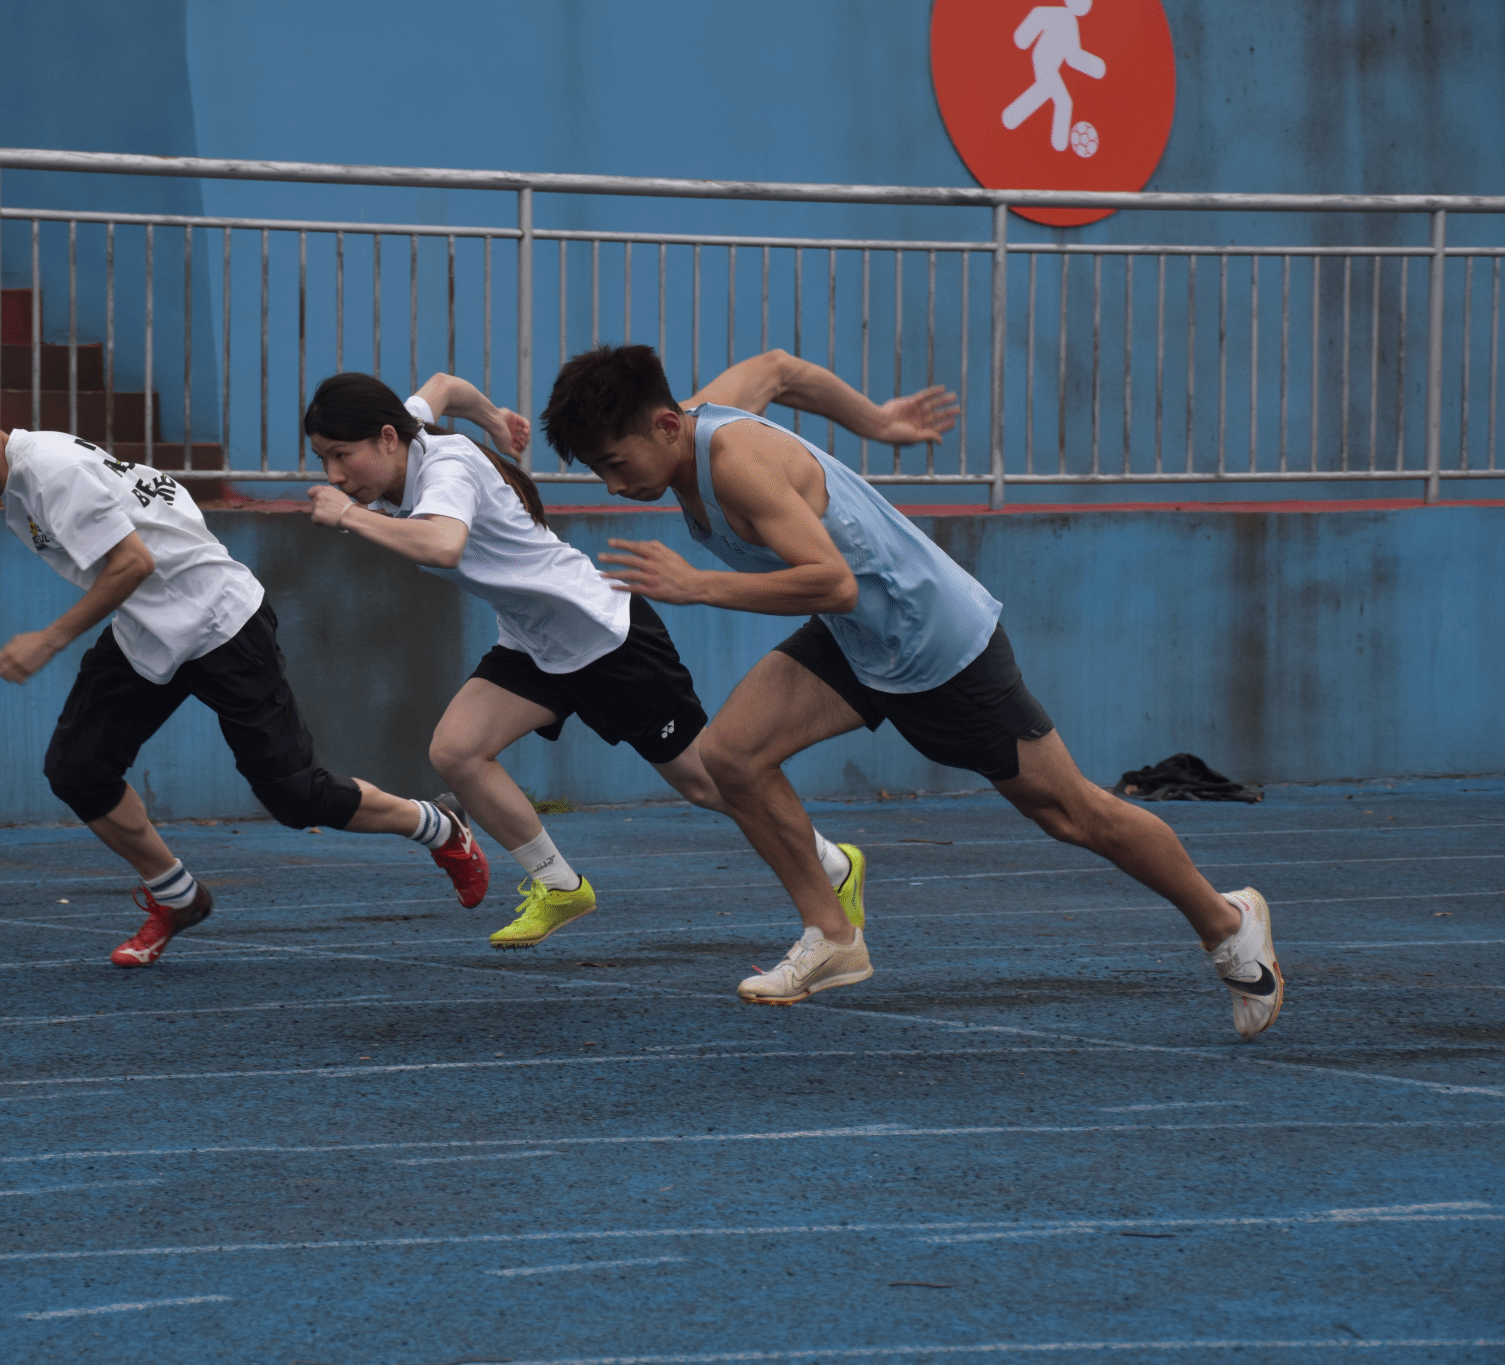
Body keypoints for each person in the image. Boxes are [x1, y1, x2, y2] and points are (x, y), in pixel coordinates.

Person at [539, 345, 1280, 1038]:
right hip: (857, 636)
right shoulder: (691, 418)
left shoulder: (735, 464)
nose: (614, 486)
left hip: (933, 640)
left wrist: (701, 585)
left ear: (666, 426)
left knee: (1072, 814)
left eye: (614, 464)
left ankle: (1226, 920)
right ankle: (833, 936)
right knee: (731, 755)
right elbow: (777, 369)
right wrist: (879, 423)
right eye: (598, 470)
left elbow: (831, 580)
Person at [0, 366, 488, 968]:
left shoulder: (51, 471)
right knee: (78, 769)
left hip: (220, 623)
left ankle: (438, 825)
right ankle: (176, 896)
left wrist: (50, 638)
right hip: (148, 630)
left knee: (295, 796)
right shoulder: (26, 474)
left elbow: (132, 563)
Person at [301, 368, 921, 950]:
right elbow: (443, 386)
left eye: (341, 455)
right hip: (535, 642)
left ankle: (834, 865)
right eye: (323, 458)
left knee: (708, 784)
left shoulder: (446, 471)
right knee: (456, 751)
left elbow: (442, 544)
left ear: (387, 439)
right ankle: (559, 886)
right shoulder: (405, 430)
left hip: (606, 636)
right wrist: (495, 419)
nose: (334, 474)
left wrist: (350, 515)